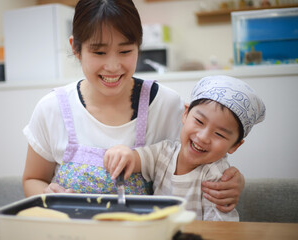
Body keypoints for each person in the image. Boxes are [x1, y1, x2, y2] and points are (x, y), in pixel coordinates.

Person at [22, 0, 244, 212]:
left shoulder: (167, 105)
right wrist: (48, 196)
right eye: (99, 52)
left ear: (138, 46)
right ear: (76, 48)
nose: (112, 66)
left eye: (125, 51)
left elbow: (203, 165)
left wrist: (233, 182)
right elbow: (33, 179)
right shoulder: (52, 108)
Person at [104, 75, 266, 221]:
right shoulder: (164, 152)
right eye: (199, 122)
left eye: (219, 134)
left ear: (235, 146)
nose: (203, 137)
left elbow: (221, 226)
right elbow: (136, 159)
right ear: (186, 114)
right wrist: (122, 152)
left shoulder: (216, 176)